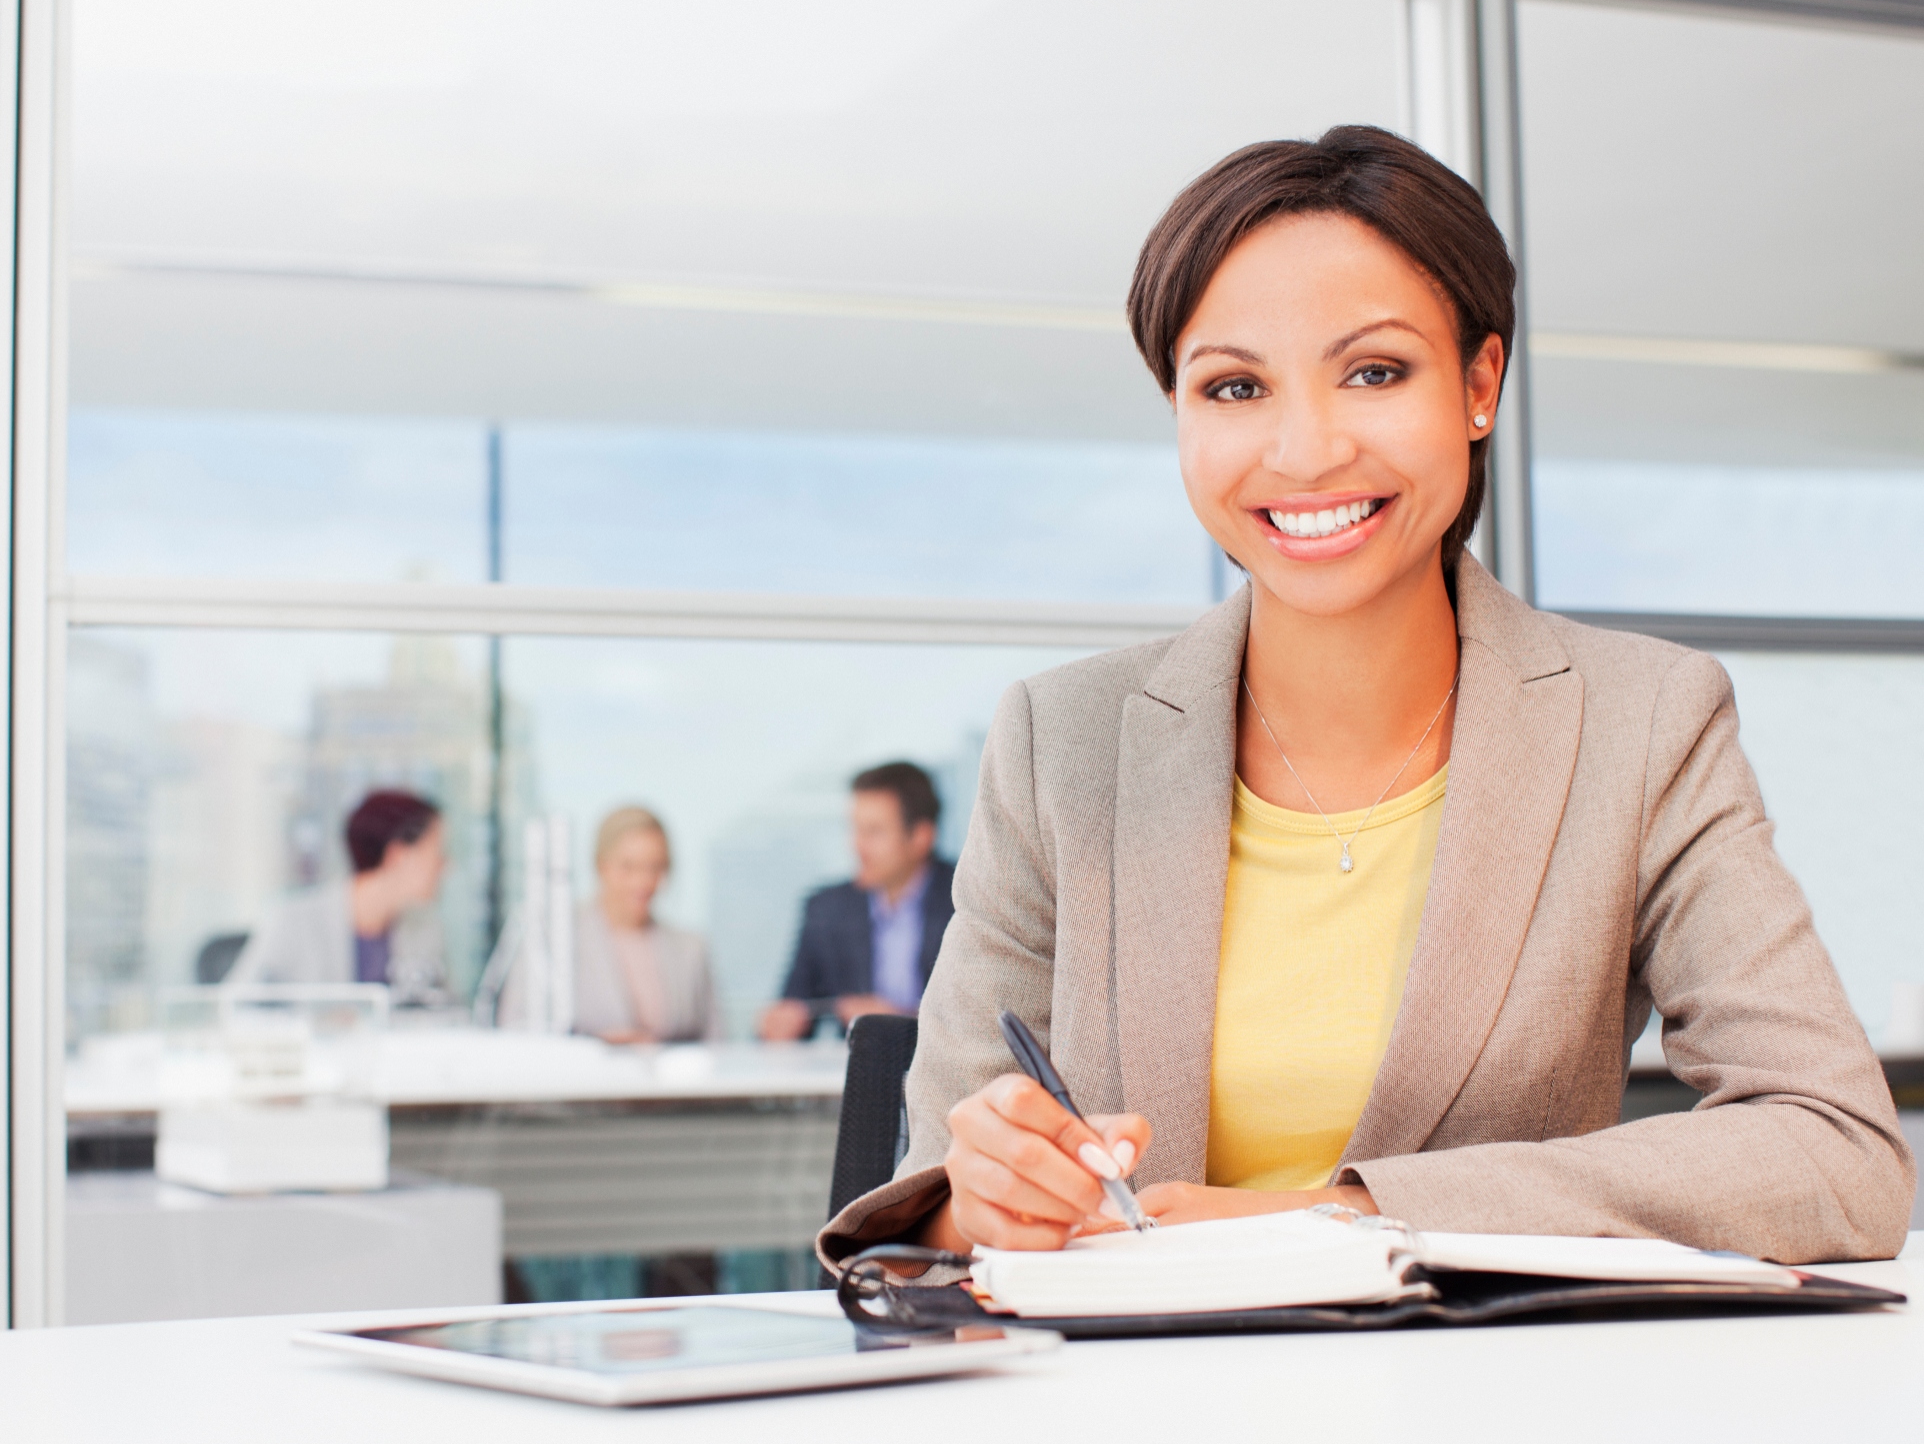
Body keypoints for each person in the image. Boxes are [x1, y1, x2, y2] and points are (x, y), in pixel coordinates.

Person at [819, 126, 1912, 1272]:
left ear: (1479, 384)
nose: (1305, 450)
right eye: (1235, 386)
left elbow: (1837, 1156)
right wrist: (983, 1198)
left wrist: (1341, 1217)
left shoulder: (1643, 723)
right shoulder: (1064, 743)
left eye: (1375, 372)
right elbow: (927, 1207)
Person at [758, 762, 955, 1042]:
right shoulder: (826, 910)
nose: (857, 846)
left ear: (921, 837)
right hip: (855, 1076)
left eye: (874, 832)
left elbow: (984, 1023)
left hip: (948, 1078)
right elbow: (793, 1006)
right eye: (855, 830)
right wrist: (780, 1024)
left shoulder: (966, 906)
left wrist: (903, 1022)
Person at [500, 805, 720, 1043]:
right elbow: (515, 1028)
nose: (643, 881)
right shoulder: (554, 937)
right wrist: (596, 1047)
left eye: (655, 867)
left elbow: (716, 1041)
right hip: (586, 1078)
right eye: (628, 867)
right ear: (601, 865)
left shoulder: (690, 949)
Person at [229, 789, 451, 1005]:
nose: (445, 865)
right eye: (437, 852)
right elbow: (234, 1009)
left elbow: (445, 1011)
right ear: (399, 856)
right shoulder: (294, 920)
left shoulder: (424, 929)